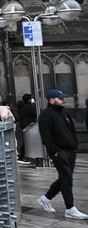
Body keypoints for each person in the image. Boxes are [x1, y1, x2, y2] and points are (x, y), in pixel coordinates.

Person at [36, 89, 87, 219]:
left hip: (70, 150)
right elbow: (46, 136)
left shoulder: (64, 112)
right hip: (59, 151)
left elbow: (72, 130)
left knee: (65, 178)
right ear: (52, 100)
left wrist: (75, 145)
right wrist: (55, 151)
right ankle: (70, 208)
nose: (63, 100)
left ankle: (46, 198)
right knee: (66, 178)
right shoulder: (45, 115)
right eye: (60, 98)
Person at [16, 94, 36, 165]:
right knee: (27, 141)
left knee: (26, 140)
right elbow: (34, 112)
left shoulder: (22, 107)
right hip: (29, 124)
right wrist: (33, 104)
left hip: (24, 124)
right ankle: (22, 155)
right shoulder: (27, 107)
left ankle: (21, 155)